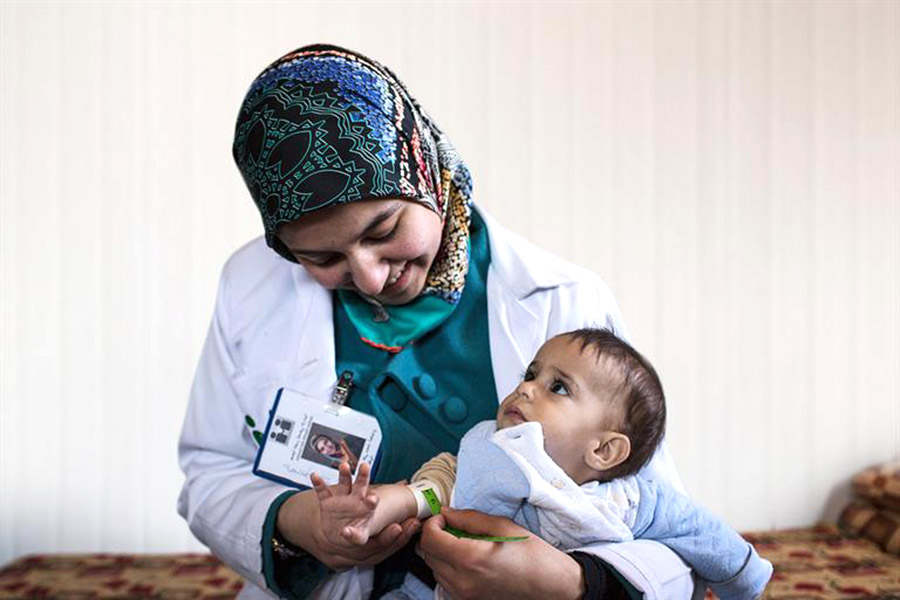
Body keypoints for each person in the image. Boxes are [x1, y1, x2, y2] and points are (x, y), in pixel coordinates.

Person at [177, 44, 696, 599]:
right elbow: (210, 469)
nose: (372, 277)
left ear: (425, 170)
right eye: (323, 259)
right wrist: (291, 523)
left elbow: (662, 529)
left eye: (383, 230)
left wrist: (569, 583)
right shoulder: (251, 287)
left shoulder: (563, 302)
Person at [312, 328, 773, 600]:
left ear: (604, 451)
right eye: (530, 374)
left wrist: (745, 582)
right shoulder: (487, 455)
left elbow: (704, 536)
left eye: (559, 388)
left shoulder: (631, 500)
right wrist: (376, 506)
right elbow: (429, 492)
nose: (527, 388)